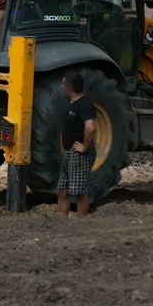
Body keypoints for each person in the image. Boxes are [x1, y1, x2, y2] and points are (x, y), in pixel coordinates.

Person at [57, 71, 96, 217]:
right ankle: (61, 221)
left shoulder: (85, 104)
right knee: (62, 191)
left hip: (79, 153)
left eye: (64, 84)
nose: (61, 86)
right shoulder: (70, 103)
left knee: (79, 192)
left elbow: (91, 127)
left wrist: (84, 147)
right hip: (68, 153)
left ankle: (81, 224)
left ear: (70, 87)